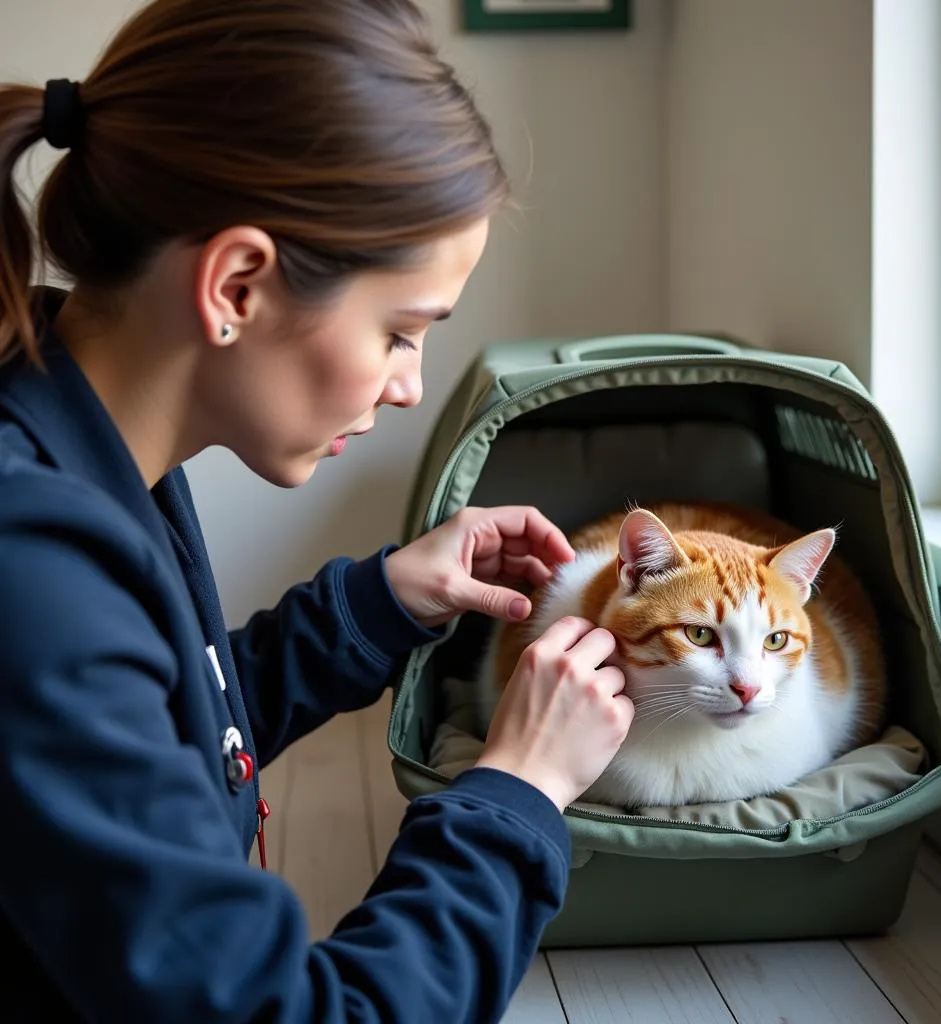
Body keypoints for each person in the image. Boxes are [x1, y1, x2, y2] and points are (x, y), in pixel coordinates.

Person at [0, 1, 635, 1021]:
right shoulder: (33, 561)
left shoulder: (81, 440)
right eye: (399, 331)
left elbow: (160, 737)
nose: (409, 387)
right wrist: (516, 789)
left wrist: (377, 604)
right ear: (239, 283)